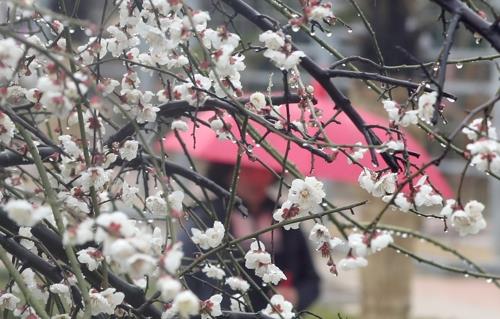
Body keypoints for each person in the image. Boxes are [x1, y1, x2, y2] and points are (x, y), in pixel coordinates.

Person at [178, 162, 320, 312]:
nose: (256, 178)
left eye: (262, 169)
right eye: (247, 169)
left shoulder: (285, 218)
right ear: (227, 172)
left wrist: (295, 296)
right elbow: (186, 275)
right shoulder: (206, 216)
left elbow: (310, 279)